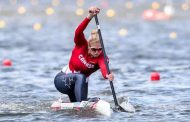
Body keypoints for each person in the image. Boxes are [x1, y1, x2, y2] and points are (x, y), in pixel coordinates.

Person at [54, 6, 114, 102]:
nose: (97, 52)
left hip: (80, 84)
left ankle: (79, 105)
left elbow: (104, 68)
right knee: (80, 77)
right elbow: (78, 32)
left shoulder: (102, 57)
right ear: (88, 46)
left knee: (81, 112)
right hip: (63, 80)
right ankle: (82, 104)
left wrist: (107, 75)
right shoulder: (81, 44)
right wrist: (89, 16)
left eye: (100, 49)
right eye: (94, 49)